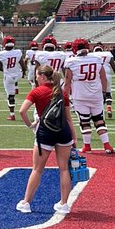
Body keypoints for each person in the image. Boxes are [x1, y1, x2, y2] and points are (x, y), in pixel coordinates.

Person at [17, 65, 76, 215]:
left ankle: (26, 203)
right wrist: (74, 137)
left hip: (45, 133)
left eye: (37, 76)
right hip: (63, 132)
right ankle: (64, 204)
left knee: (37, 169)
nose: (36, 78)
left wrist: (30, 125)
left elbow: (22, 110)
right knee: (64, 169)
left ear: (43, 77)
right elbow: (69, 119)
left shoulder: (37, 91)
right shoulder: (62, 93)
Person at [64, 40, 114, 154]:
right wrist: (104, 92)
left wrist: (65, 96)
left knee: (84, 121)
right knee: (99, 119)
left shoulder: (71, 61)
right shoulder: (96, 59)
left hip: (80, 95)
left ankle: (87, 146)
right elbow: (103, 78)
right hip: (96, 94)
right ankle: (107, 145)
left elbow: (67, 81)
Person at [0, 36, 22, 120]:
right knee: (14, 81)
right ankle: (16, 87)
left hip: (8, 76)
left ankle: (12, 114)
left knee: (10, 96)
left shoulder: (1, 54)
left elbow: (0, 68)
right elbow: (22, 64)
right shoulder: (18, 52)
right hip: (18, 75)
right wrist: (24, 72)